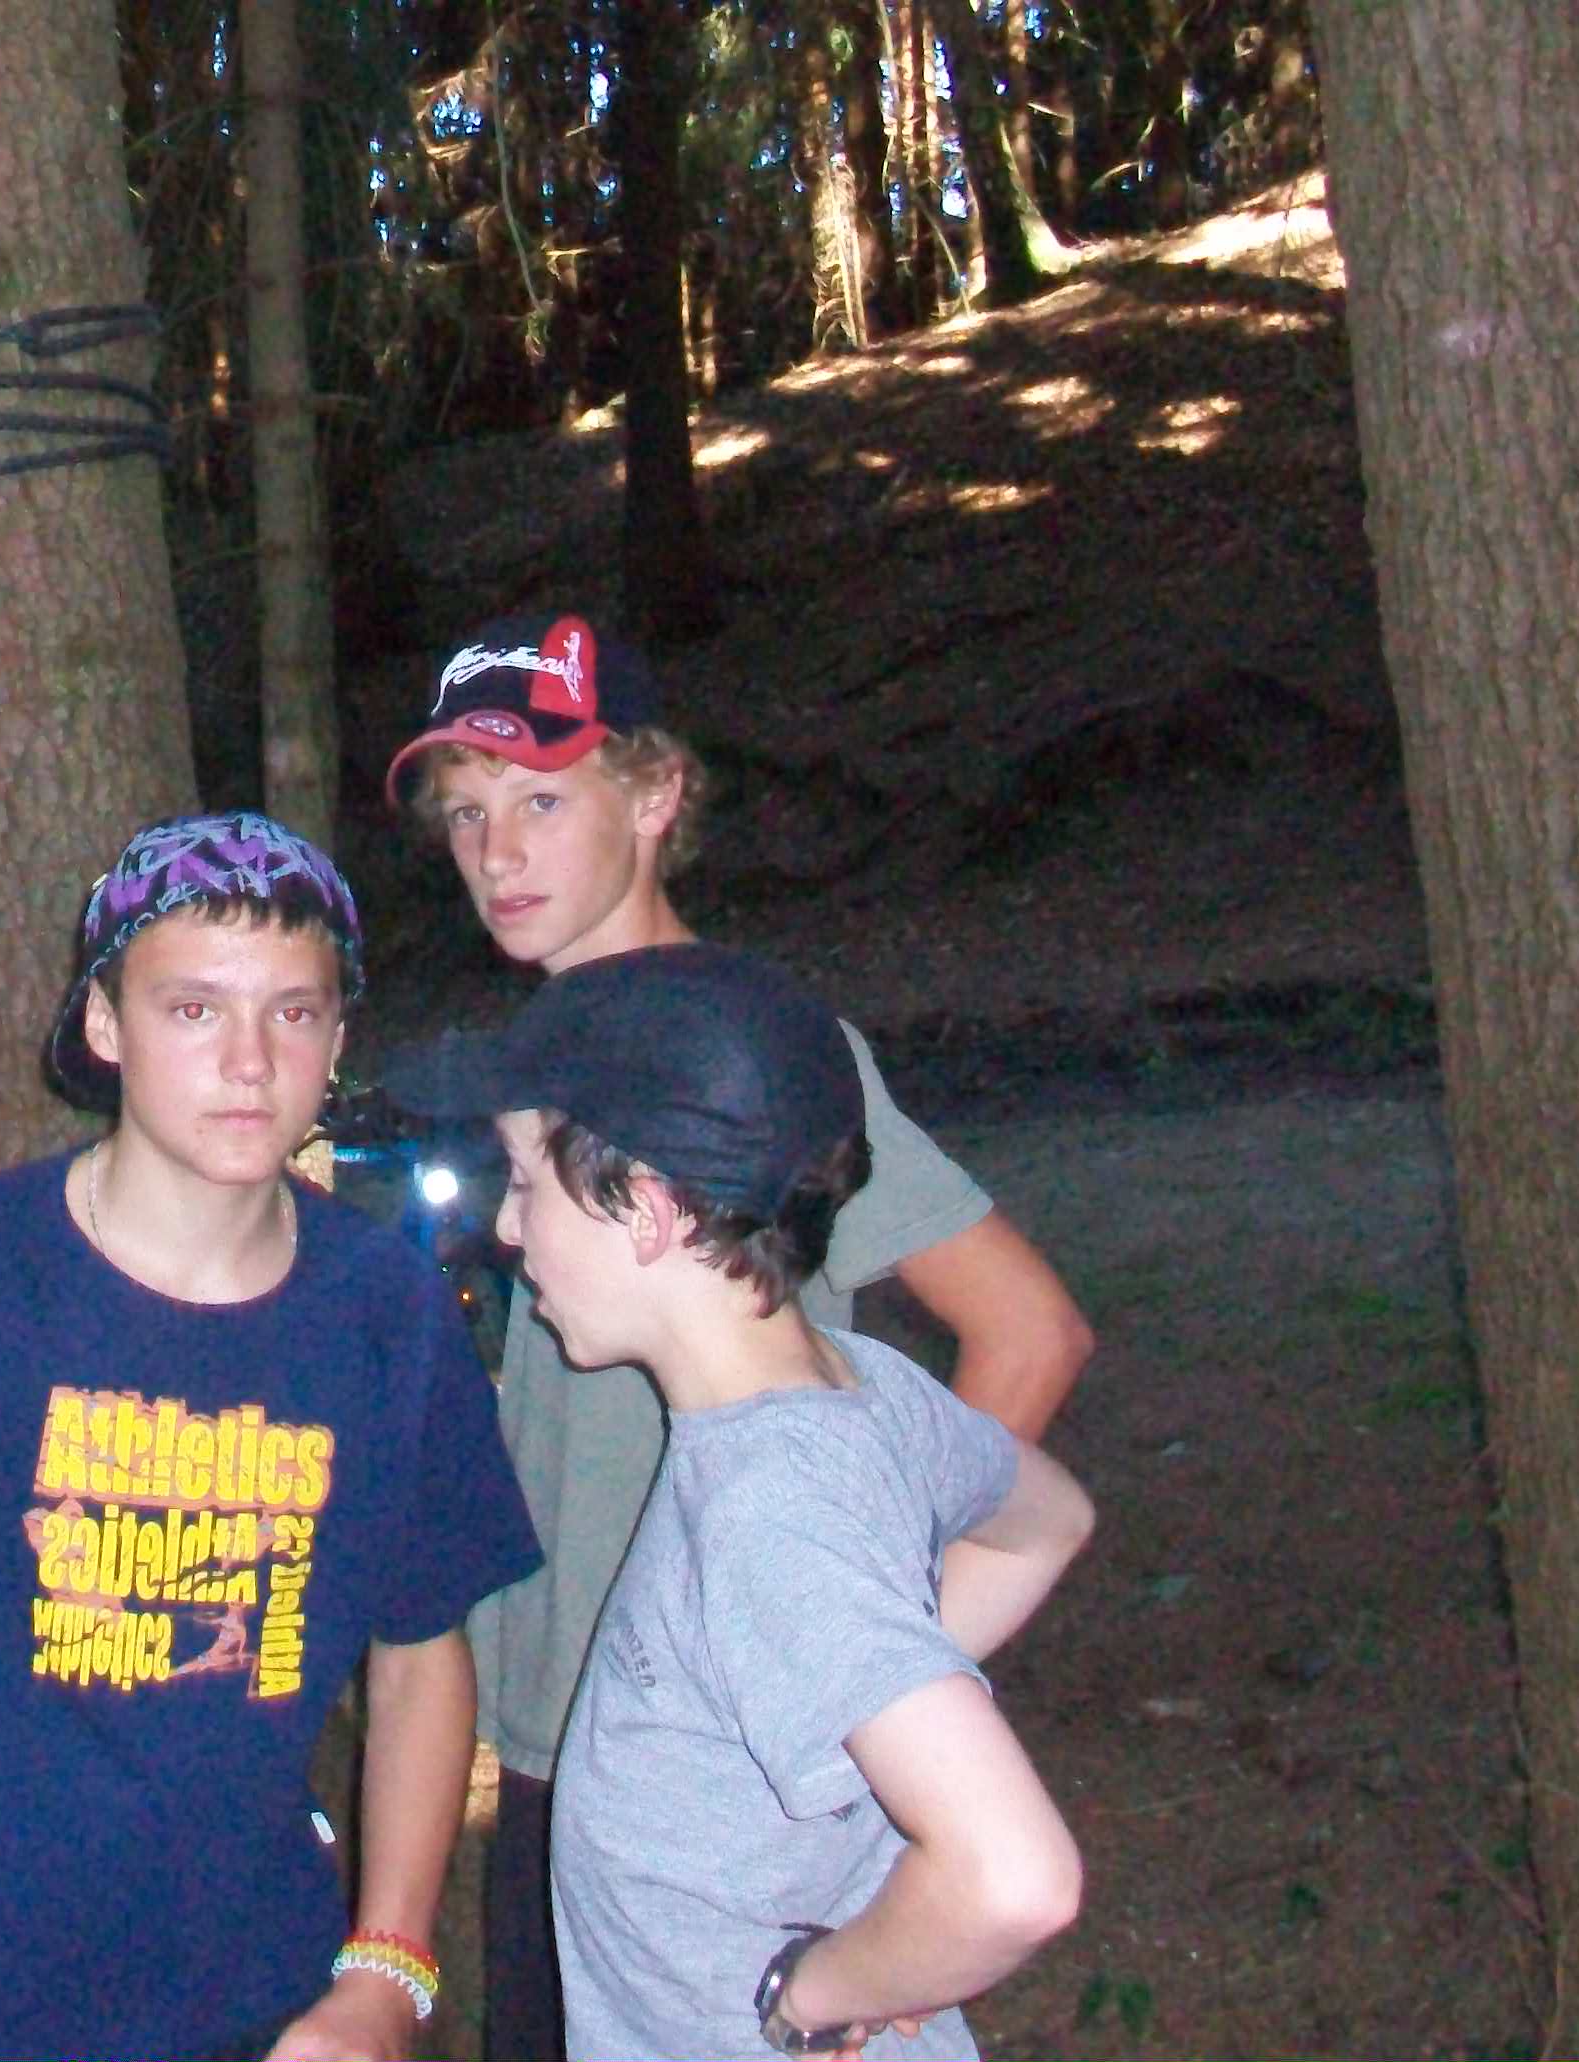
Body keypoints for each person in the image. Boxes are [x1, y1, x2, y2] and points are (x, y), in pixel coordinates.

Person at [381, 610, 1098, 2056]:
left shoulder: (750, 1062)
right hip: (571, 1738)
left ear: (656, 795)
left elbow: (1029, 1330)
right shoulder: (544, 1086)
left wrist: (858, 1663)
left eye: (539, 801)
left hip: (713, 1763)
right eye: (464, 815)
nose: (496, 853)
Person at [0, 812, 543, 2062]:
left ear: (337, 1038)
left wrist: (386, 1965)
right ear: (105, 1025)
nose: (248, 1061)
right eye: (193, 1009)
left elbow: (419, 1650)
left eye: (293, 1012)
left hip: (246, 1993)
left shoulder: (384, 1309)